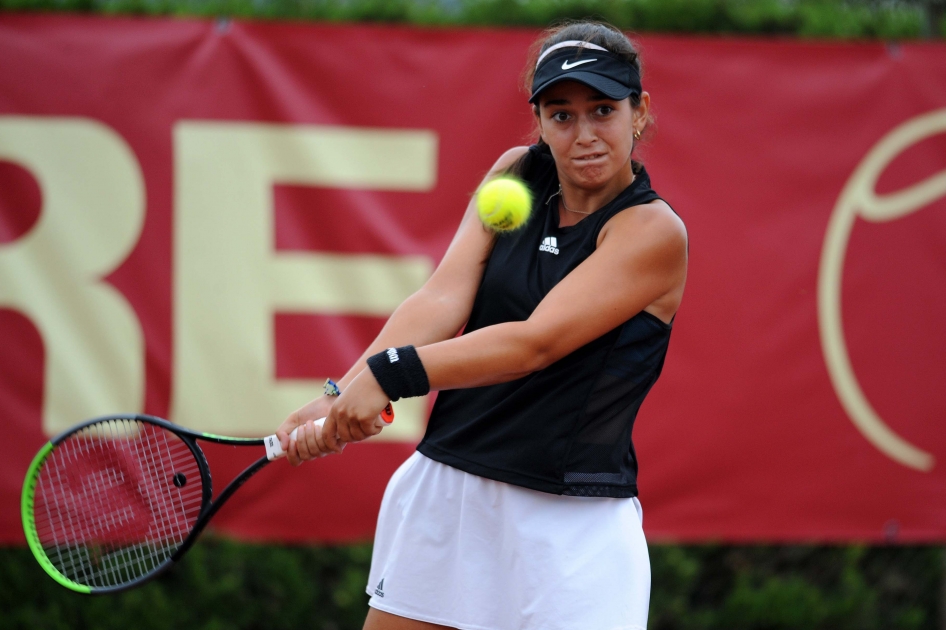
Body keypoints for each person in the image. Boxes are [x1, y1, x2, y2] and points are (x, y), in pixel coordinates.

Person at [277, 20, 687, 630]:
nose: (584, 135)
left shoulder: (653, 233)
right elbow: (442, 295)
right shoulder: (516, 172)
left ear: (640, 112)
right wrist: (340, 390)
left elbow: (535, 343)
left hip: (570, 529)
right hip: (447, 491)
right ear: (541, 121)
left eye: (603, 109)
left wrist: (389, 374)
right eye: (561, 114)